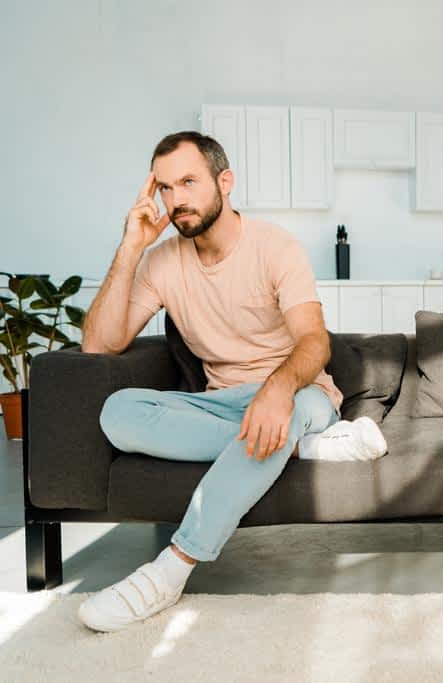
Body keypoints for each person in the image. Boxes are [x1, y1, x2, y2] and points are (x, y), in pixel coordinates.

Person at [77, 131, 343, 632]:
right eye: (165, 187)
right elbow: (98, 344)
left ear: (225, 182)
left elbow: (315, 342)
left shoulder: (276, 247)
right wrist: (132, 246)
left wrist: (276, 392)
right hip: (223, 403)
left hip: (299, 395)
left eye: (188, 182)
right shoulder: (161, 261)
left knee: (284, 415)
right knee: (118, 412)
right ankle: (299, 448)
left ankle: (171, 569)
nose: (175, 199)